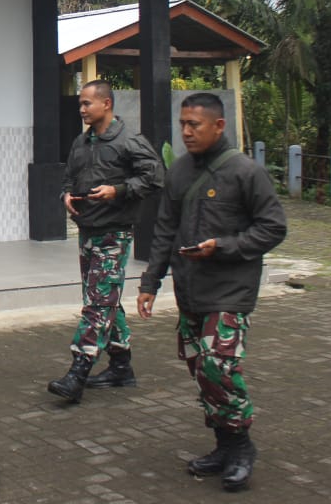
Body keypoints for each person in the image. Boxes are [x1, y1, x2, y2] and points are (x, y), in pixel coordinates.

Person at [137, 92, 287, 493]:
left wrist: (222, 247)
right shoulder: (180, 171)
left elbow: (273, 227)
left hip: (230, 291)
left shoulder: (245, 172)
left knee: (218, 367)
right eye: (183, 124)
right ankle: (223, 445)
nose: (186, 132)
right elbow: (164, 230)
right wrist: (150, 283)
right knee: (201, 371)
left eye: (194, 125)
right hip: (191, 290)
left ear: (219, 125)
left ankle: (241, 446)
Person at [47, 80, 162, 404]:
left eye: (87, 104)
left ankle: (78, 371)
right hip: (87, 228)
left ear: (106, 104)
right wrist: (66, 194)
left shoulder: (129, 140)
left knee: (98, 301)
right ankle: (121, 366)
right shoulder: (81, 142)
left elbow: (155, 177)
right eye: (81, 104)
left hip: (115, 230)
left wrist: (119, 190)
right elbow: (68, 176)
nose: (81, 109)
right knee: (103, 296)